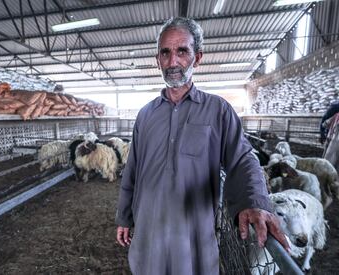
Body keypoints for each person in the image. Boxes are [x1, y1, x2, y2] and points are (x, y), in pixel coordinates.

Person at [115, 17, 289, 275]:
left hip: (193, 238)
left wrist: (254, 201)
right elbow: (132, 171)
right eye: (166, 52)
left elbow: (242, 159)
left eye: (182, 51)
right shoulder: (146, 115)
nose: (173, 61)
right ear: (158, 60)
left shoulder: (218, 111)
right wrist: (124, 217)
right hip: (148, 234)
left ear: (197, 58)